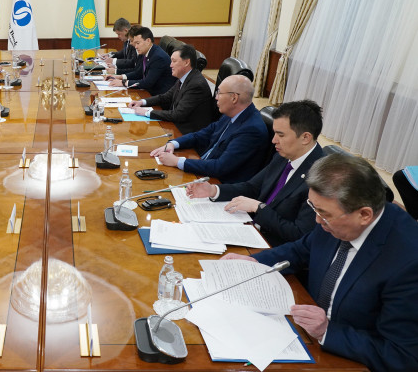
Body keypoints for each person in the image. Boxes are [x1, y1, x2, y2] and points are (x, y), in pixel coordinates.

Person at [222, 154, 418, 371]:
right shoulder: (336, 215)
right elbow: (301, 249)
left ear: (364, 215)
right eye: (313, 207)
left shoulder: (408, 262)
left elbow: (402, 355)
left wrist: (327, 332)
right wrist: (254, 261)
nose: (316, 220)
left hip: (346, 356)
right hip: (300, 328)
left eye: (323, 214)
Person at [187, 100, 324, 246]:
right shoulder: (284, 155)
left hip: (272, 246)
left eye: (281, 135)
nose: (274, 140)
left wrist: (259, 208)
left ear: (305, 137)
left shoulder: (321, 178)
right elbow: (252, 188)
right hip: (250, 230)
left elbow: (298, 234)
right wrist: (214, 190)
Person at [150, 75, 268, 183]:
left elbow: (220, 167)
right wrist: (174, 144)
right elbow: (203, 134)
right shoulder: (232, 113)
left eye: (219, 93)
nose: (216, 97)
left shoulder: (251, 130)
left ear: (234, 98)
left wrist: (177, 161)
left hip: (217, 183)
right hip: (204, 169)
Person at [128, 44, 215, 134]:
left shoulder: (196, 85)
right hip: (177, 125)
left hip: (188, 132)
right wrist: (142, 102)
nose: (170, 65)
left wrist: (147, 112)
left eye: (174, 61)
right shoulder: (184, 77)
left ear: (186, 62)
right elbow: (165, 97)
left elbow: (177, 114)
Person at [105, 27, 175, 96]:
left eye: (138, 43)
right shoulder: (147, 52)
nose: (135, 47)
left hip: (158, 96)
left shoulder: (158, 57)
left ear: (148, 41)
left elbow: (147, 83)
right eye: (135, 43)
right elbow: (138, 73)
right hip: (148, 91)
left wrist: (123, 83)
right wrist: (119, 77)